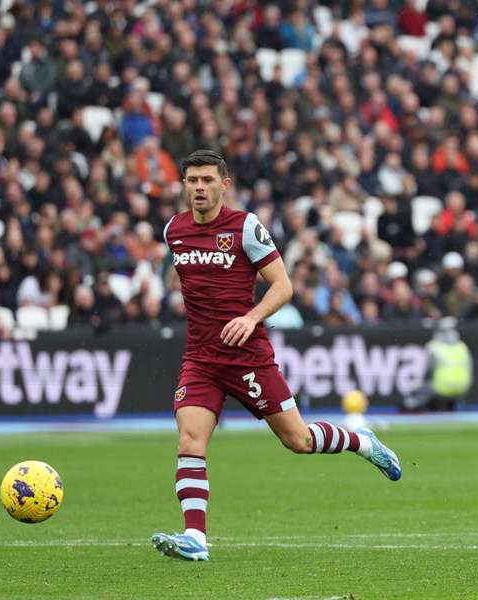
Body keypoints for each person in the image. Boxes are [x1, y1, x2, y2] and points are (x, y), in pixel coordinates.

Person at [151, 150, 401, 562]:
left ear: (224, 185)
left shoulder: (245, 226)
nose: (199, 187)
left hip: (247, 356)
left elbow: (283, 286)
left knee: (298, 440)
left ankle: (360, 441)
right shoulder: (173, 230)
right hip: (200, 358)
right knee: (190, 438)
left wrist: (250, 318)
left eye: (207, 180)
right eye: (192, 180)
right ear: (183, 184)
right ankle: (195, 537)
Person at [401, 317, 472, 412]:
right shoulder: (462, 346)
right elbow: (469, 370)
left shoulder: (433, 347)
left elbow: (427, 372)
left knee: (416, 390)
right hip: (462, 388)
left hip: (441, 388)